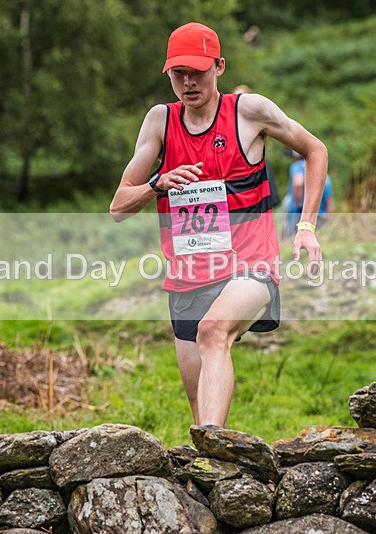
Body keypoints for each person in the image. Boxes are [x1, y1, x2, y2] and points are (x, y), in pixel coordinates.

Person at [109, 22, 328, 428]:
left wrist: (306, 226)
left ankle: (214, 447)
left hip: (251, 263)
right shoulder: (160, 121)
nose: (189, 82)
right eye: (179, 74)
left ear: (219, 67)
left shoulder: (250, 112)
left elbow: (315, 149)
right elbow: (119, 205)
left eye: (198, 71)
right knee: (200, 421)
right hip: (188, 276)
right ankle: (215, 472)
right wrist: (157, 184)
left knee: (213, 332)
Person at [232, 84, 281, 209]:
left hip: (257, 169)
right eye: (237, 96)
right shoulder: (228, 121)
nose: (240, 100)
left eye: (243, 96)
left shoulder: (257, 118)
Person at [283, 150, 334, 238]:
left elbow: (298, 184)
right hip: (320, 216)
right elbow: (329, 200)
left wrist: (298, 205)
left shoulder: (298, 166)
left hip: (301, 215)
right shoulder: (323, 172)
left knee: (291, 240)